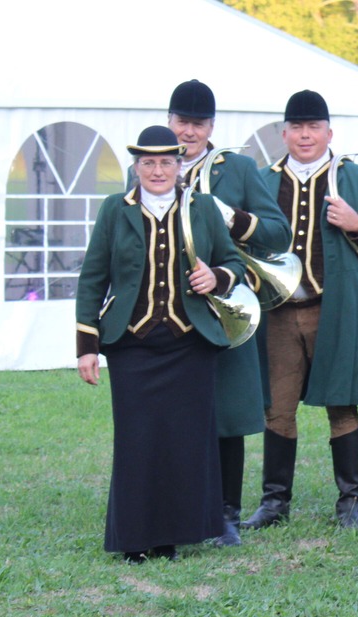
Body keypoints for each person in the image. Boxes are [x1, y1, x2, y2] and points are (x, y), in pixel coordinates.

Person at [75, 126, 246, 563]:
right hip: (132, 344)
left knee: (183, 442)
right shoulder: (115, 209)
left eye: (166, 162)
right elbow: (93, 276)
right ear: (136, 167)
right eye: (148, 163)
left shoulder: (202, 208)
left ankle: (171, 536)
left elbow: (233, 263)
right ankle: (135, 539)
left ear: (179, 166)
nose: (157, 170)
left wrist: (216, 277)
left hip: (190, 344)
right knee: (137, 442)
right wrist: (87, 345)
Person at [242, 90, 358, 529]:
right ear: (283, 134)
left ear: (329, 133)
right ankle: (274, 503)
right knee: (277, 408)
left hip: (337, 310)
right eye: (297, 127)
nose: (305, 135)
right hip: (278, 312)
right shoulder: (263, 180)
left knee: (342, 404)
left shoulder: (357, 179)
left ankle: (350, 503)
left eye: (314, 127)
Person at [163, 79, 290, 547]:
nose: (189, 132)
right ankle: (178, 508)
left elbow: (278, 233)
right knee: (173, 412)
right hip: (169, 305)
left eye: (198, 124)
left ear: (212, 127)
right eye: (182, 122)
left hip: (225, 303)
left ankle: (226, 514)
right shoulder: (154, 163)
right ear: (169, 121)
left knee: (227, 412)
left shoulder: (236, 168)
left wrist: (232, 218)